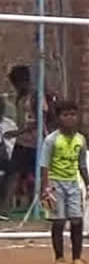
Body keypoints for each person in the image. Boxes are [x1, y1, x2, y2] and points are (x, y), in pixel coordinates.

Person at [39, 100, 89, 264]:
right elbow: (44, 165)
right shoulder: (51, 140)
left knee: (77, 220)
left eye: (73, 114)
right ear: (58, 118)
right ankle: (59, 258)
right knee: (59, 221)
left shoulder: (80, 140)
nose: (70, 118)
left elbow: (82, 164)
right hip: (55, 184)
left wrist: (88, 184)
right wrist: (45, 188)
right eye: (65, 115)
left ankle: (77, 258)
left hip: (73, 183)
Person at [5, 65, 45, 210]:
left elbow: (40, 121)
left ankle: (38, 204)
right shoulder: (20, 97)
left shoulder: (35, 96)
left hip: (34, 141)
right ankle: (7, 206)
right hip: (23, 140)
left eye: (16, 83)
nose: (15, 87)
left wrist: (17, 133)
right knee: (14, 172)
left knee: (29, 173)